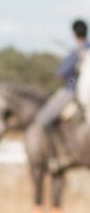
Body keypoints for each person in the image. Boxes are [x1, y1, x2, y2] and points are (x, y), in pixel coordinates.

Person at [38, 18, 88, 166]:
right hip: (83, 89)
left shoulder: (77, 52)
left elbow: (61, 74)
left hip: (73, 88)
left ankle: (60, 154)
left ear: (74, 34)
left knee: (43, 119)